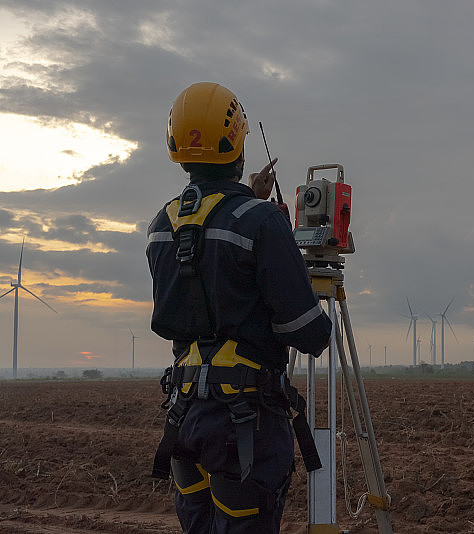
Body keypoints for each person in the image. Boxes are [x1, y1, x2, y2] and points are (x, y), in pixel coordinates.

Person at [147, 82, 331, 533]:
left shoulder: (162, 226)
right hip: (244, 427)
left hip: (185, 418)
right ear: (239, 146)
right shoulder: (262, 222)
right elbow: (310, 334)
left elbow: (204, 279)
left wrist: (249, 200)